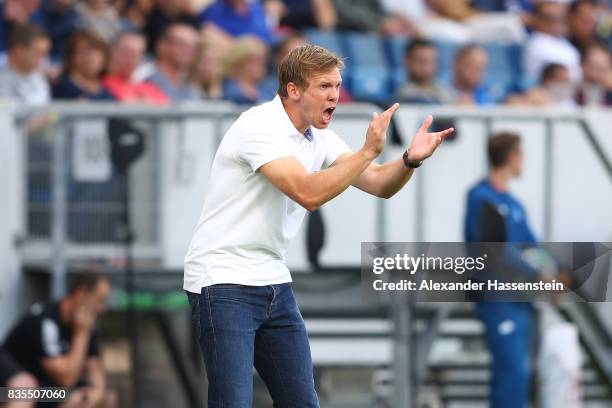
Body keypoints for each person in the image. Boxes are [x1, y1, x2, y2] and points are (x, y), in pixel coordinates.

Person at [183, 44, 454, 407]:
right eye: (324, 86)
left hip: (273, 280)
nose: (335, 96)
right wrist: (368, 151)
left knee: (303, 403)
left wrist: (408, 161)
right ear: (293, 90)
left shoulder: (318, 136)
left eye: (338, 86)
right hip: (223, 279)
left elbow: (378, 183)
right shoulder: (258, 126)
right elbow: (307, 193)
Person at [464, 132, 570, 408]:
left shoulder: (515, 205)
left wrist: (558, 271)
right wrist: (540, 276)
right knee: (512, 373)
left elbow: (531, 246)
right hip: (497, 299)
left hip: (521, 300)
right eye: (522, 154)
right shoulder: (481, 198)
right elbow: (495, 250)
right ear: (512, 157)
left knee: (523, 375)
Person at [3, 272, 116, 408]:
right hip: (13, 391)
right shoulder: (45, 319)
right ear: (81, 294)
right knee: (73, 398)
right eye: (99, 300)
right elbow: (66, 379)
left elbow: (95, 369)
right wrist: (81, 334)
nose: (102, 309)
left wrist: (97, 393)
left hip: (50, 390)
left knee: (107, 397)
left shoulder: (87, 324)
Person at [103, 31, 170, 104]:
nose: (132, 58)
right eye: (126, 52)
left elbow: (168, 106)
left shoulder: (148, 86)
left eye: (138, 53)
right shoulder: (100, 85)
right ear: (111, 52)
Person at [523, 1, 581, 83]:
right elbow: (557, 75)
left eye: (560, 18)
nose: (557, 23)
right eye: (550, 18)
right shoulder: (537, 43)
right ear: (537, 19)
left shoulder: (562, 41)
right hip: (548, 90)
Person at [146, 23, 201, 102]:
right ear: (162, 45)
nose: (188, 50)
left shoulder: (191, 84)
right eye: (181, 44)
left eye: (193, 46)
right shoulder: (142, 76)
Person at [52, 30, 114, 100]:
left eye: (94, 51)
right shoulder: (62, 87)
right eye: (83, 52)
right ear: (72, 57)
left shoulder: (109, 91)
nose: (89, 57)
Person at [0, 23, 51, 106]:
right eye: (37, 52)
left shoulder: (39, 76)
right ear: (18, 50)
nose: (43, 58)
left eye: (45, 53)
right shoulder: (2, 80)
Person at [393, 38, 453, 104]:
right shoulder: (403, 95)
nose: (426, 66)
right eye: (420, 61)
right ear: (407, 62)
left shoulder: (445, 92)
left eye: (431, 61)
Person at [222, 36, 269, 105]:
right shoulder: (227, 88)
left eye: (262, 60)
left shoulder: (267, 87)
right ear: (238, 62)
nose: (259, 65)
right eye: (252, 61)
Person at [506, 63, 575, 106]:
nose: (565, 84)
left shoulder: (571, 95)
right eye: (561, 80)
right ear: (547, 79)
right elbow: (510, 100)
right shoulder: (535, 94)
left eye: (566, 80)